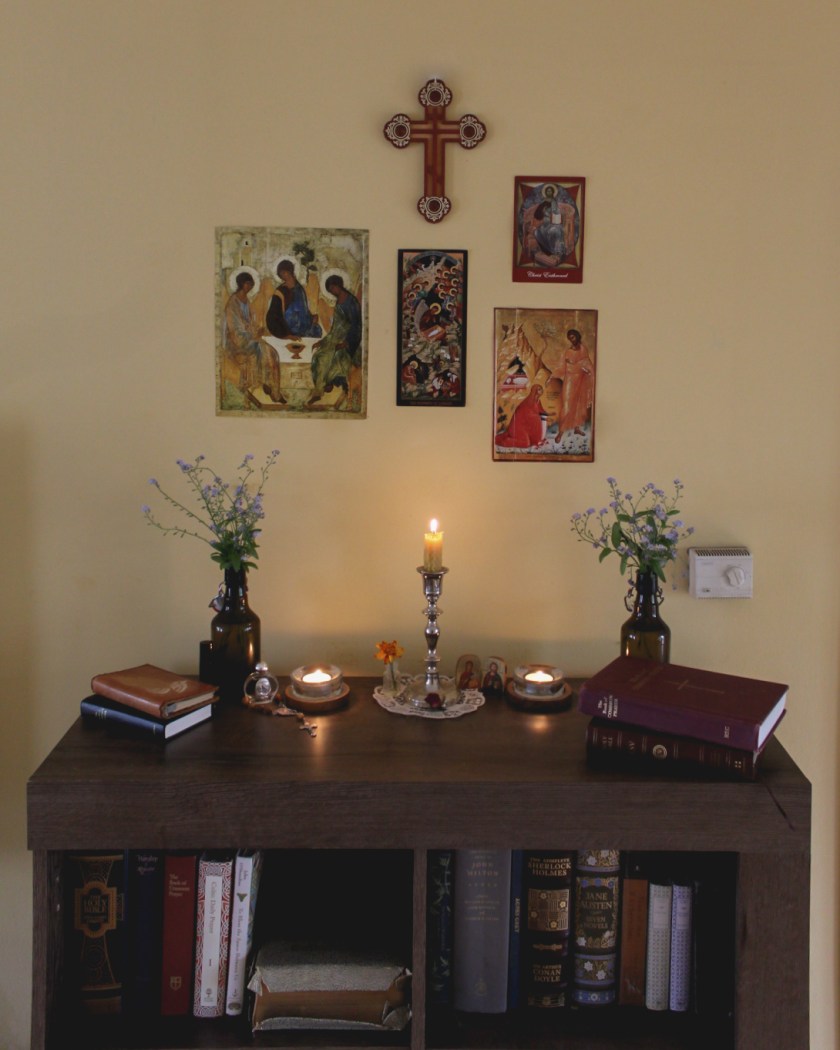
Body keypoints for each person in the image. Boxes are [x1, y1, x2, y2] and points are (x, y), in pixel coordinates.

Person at [223, 272, 285, 403]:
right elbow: (235, 329)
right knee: (262, 349)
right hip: (237, 342)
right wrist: (252, 334)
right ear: (241, 284)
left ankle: (272, 387)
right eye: (248, 283)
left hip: (249, 338)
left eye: (252, 283)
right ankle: (268, 386)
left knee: (272, 353)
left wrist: (258, 330)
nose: (250, 286)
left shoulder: (247, 300)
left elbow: (250, 322)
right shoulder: (232, 303)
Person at [308, 274, 363, 407]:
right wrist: (322, 341)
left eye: (333, 287)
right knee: (318, 356)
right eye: (330, 289)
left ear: (339, 285)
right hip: (335, 338)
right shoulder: (339, 301)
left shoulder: (352, 301)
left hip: (349, 340)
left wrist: (346, 343)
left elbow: (357, 326)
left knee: (336, 357)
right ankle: (319, 390)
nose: (332, 291)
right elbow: (335, 328)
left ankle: (330, 384)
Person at [550, 329, 594, 436]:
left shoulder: (583, 349)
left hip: (581, 380)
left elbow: (587, 364)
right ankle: (560, 432)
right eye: (569, 338)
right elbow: (563, 367)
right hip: (570, 380)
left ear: (577, 336)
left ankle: (577, 428)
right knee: (567, 405)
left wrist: (583, 368)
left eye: (572, 337)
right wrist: (552, 376)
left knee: (579, 404)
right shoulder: (568, 352)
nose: (571, 340)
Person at [266, 260, 321, 338]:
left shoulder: (300, 289)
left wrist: (311, 318)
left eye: (284, 272)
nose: (283, 276)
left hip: (304, 329)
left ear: (290, 271)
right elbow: (272, 316)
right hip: (288, 330)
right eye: (281, 274)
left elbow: (303, 310)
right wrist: (285, 335)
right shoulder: (280, 291)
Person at [495, 383, 547, 449]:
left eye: (541, 389)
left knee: (530, 442)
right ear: (535, 391)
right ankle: (507, 441)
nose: (541, 391)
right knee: (525, 444)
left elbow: (541, 411)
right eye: (539, 389)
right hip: (518, 427)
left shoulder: (538, 401)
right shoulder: (529, 401)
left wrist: (549, 414)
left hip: (526, 426)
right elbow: (526, 414)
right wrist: (536, 416)